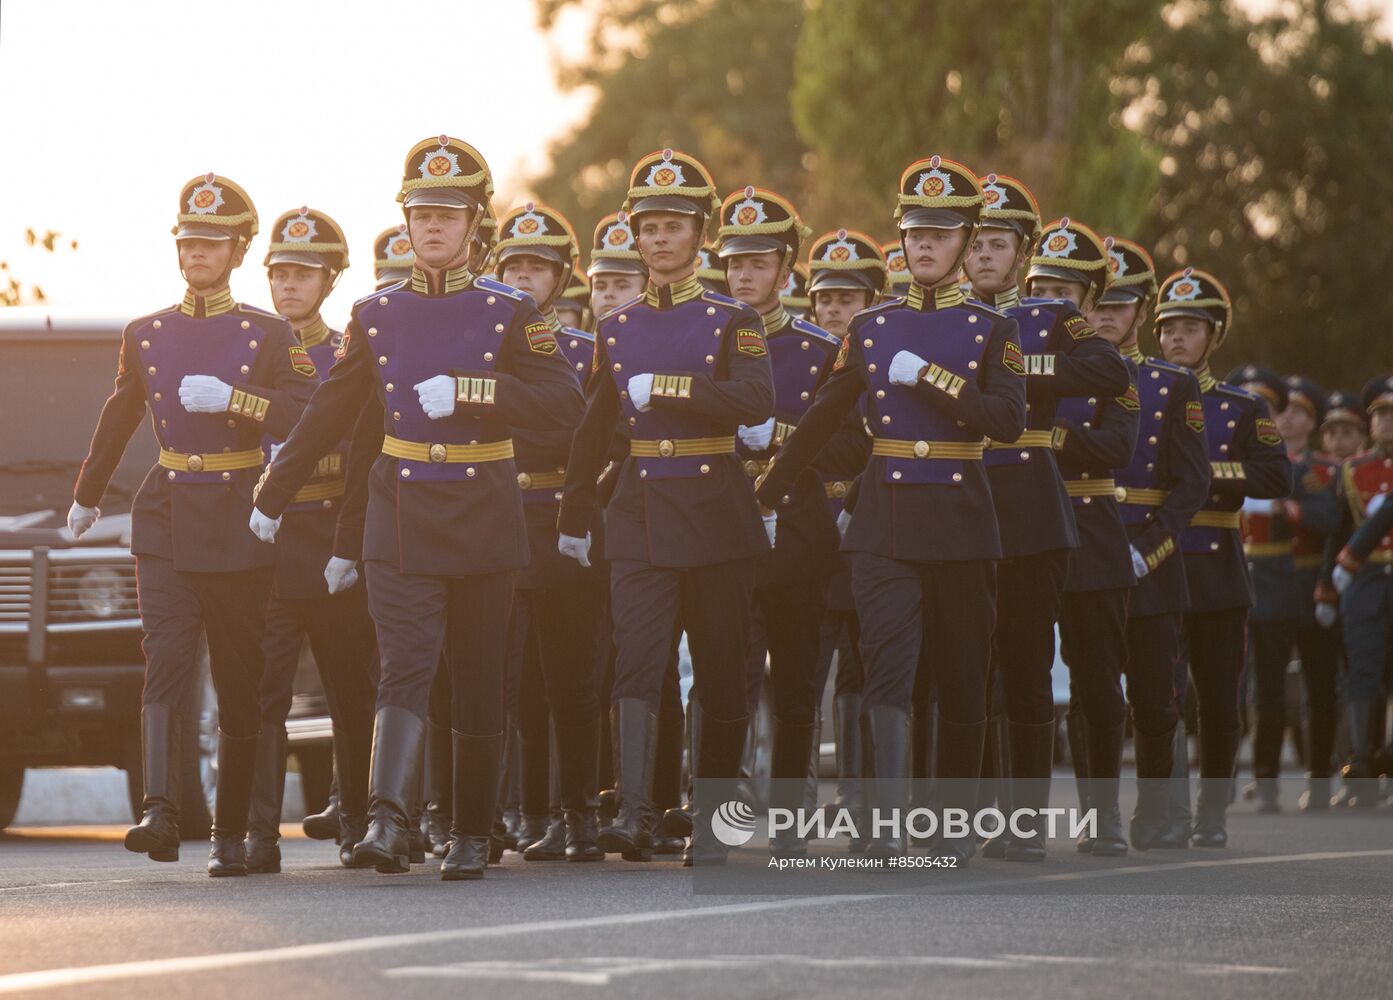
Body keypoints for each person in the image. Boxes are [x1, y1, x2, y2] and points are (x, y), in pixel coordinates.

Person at [249, 135, 584, 880]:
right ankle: (389, 821)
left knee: (475, 673)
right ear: (404, 222)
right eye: (420, 214)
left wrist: (476, 391)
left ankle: (470, 830)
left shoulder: (510, 312)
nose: (431, 227)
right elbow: (331, 412)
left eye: (448, 215)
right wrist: (274, 490)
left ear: (475, 227)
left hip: (483, 514)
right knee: (403, 663)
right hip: (399, 512)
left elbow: (565, 407)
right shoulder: (376, 314)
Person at [752, 155, 1027, 863]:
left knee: (964, 676)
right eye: (914, 235)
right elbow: (821, 417)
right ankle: (883, 823)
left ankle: (956, 829)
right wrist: (771, 488)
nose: (924, 246)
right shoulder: (870, 327)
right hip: (885, 522)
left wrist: (933, 379)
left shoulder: (993, 329)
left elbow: (1004, 419)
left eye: (939, 235)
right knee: (887, 673)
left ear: (966, 242)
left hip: (962, 521)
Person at [68, 174, 315, 875]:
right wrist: (86, 494)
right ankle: (159, 809)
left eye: (210, 242)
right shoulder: (146, 332)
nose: (195, 252)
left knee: (240, 684)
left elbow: (308, 414)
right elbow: (120, 413)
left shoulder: (270, 335)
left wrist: (240, 399)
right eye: (188, 241)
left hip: (240, 513)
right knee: (165, 662)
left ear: (238, 251)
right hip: (168, 510)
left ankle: (234, 832)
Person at [557, 148, 775, 866]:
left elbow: (754, 402)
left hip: (715, 509)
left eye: (672, 226)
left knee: (717, 673)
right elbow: (592, 428)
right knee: (636, 664)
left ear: (699, 234)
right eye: (647, 226)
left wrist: (674, 389)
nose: (657, 239)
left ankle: (713, 819)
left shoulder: (733, 318)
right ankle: (635, 809)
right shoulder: (615, 330)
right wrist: (572, 517)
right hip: (640, 513)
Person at [967, 198, 1130, 861]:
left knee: (1038, 668)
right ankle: (971, 815)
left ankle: (1036, 820)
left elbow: (1107, 370)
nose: (981, 254)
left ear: (1021, 254)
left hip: (1033, 506)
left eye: (996, 244)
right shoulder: (936, 315)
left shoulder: (1048, 318)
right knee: (974, 669)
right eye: (972, 242)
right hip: (958, 502)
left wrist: (1013, 370)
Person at [716, 189, 868, 858]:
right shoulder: (704, 337)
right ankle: (718, 812)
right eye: (733, 264)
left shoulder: (816, 350)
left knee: (799, 684)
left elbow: (852, 445)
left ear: (786, 268)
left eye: (757, 264)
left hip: (800, 539)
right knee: (727, 680)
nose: (742, 276)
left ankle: (789, 812)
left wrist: (782, 435)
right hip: (722, 532)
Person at [245, 207, 379, 872]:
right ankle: (258, 832)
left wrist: (349, 543)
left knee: (349, 689)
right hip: (262, 541)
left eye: (303, 274)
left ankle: (355, 817)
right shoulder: (245, 348)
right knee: (260, 689)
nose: (289, 285)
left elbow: (359, 453)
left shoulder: (348, 354)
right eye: (280, 273)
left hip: (328, 531)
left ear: (330, 281)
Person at [1157, 268, 1293, 846]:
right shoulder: (1138, 395)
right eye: (1169, 329)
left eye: (1190, 328)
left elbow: (1275, 473)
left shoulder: (1242, 407)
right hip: (1158, 560)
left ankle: (1211, 814)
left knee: (1218, 700)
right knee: (1158, 698)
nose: (1177, 340)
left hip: (1215, 566)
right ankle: (1164, 812)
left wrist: (1205, 474)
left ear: (1214, 337)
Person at [491, 201, 605, 862]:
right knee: (509, 683)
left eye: (539, 267)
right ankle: (527, 810)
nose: (527, 278)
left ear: (563, 278)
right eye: (515, 266)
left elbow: (589, 434)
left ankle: (579, 813)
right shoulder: (482, 347)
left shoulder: (588, 352)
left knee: (570, 681)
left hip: (565, 521)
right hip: (501, 519)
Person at [1053, 236, 1152, 856]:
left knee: (1097, 681)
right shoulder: (1002, 352)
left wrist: (1056, 435)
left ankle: (1102, 813)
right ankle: (1005, 816)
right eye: (1040, 291)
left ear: (1088, 305)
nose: (1047, 304)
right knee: (1010, 678)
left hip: (1090, 528)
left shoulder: (1113, 368)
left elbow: (1116, 446)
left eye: (1063, 294)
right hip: (1022, 524)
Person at [1236, 371, 1338, 812]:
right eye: (1284, 411)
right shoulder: (1247, 462)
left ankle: (1319, 781)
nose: (1289, 420)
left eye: (1299, 412)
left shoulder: (1321, 471)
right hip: (1267, 585)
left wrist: (1285, 506)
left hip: (1311, 583)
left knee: (1320, 686)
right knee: (1267, 689)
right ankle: (1267, 781)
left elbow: (1332, 520)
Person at [1325, 374, 1393, 807]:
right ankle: (1361, 766)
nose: (1387, 422)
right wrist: (1325, 590)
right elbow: (1338, 532)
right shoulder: (1353, 471)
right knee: (1362, 674)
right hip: (1365, 582)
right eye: (1381, 414)